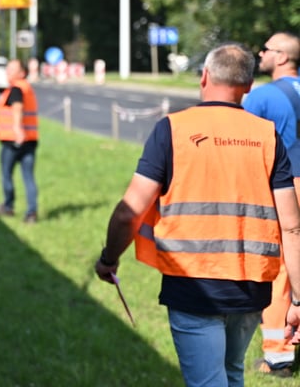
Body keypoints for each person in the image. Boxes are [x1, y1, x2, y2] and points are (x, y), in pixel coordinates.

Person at [94, 42, 300, 387]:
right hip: (251, 288)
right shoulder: (267, 135)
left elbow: (129, 210)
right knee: (232, 373)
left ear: (204, 76)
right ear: (248, 86)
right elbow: (292, 227)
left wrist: (109, 258)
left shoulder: (172, 129)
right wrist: (297, 297)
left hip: (193, 284)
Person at [242, 31, 300, 377]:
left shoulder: (262, 96)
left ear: (281, 58)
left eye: (266, 49)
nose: (260, 53)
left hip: (287, 187)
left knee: (281, 268)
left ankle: (278, 356)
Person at [0, 59, 39, 223]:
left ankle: (8, 206)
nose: (8, 71)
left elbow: (17, 109)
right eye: (8, 68)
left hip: (14, 141)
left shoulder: (17, 88)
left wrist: (17, 130)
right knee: (28, 177)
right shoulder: (27, 88)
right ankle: (32, 213)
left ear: (22, 73)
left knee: (7, 174)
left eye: (13, 69)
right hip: (30, 140)